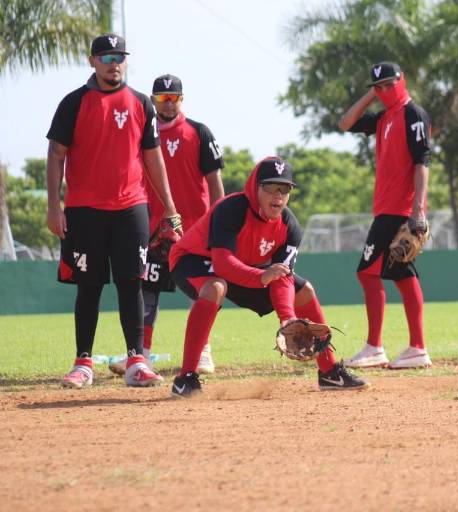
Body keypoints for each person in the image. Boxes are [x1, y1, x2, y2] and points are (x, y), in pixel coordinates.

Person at [168, 157, 370, 397]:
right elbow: (222, 264)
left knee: (304, 291)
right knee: (216, 287)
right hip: (192, 259)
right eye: (271, 187)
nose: (278, 195)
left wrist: (288, 320)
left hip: (246, 267)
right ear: (255, 187)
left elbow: (282, 277)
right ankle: (186, 379)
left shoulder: (289, 225)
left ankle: (329, 372)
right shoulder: (231, 209)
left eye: (284, 189)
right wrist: (262, 276)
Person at [46, 34, 180, 388]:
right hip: (84, 210)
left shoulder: (141, 103)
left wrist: (170, 208)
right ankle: (83, 363)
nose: (113, 63)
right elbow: (56, 154)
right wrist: (54, 207)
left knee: (131, 282)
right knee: (88, 286)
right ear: (92, 61)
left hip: (130, 208)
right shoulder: (73, 103)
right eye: (105, 57)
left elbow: (153, 158)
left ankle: (137, 361)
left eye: (119, 56)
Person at [108, 74, 225, 376]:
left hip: (195, 231)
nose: (168, 104)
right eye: (162, 98)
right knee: (147, 290)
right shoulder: (141, 133)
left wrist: (218, 222)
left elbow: (215, 181)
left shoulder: (199, 132)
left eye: (173, 98)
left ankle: (203, 352)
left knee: (201, 290)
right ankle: (141, 354)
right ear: (153, 100)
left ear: (181, 99)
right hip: (153, 230)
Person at [338, 61, 433, 369]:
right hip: (386, 207)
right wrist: (372, 95)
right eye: (379, 87)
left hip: (400, 209)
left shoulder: (412, 114)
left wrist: (418, 210)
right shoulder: (384, 118)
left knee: (370, 272)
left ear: (402, 81)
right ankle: (411, 348)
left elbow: (422, 163)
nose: (385, 90)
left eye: (390, 84)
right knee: (397, 274)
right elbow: (345, 123)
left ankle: (383, 347)